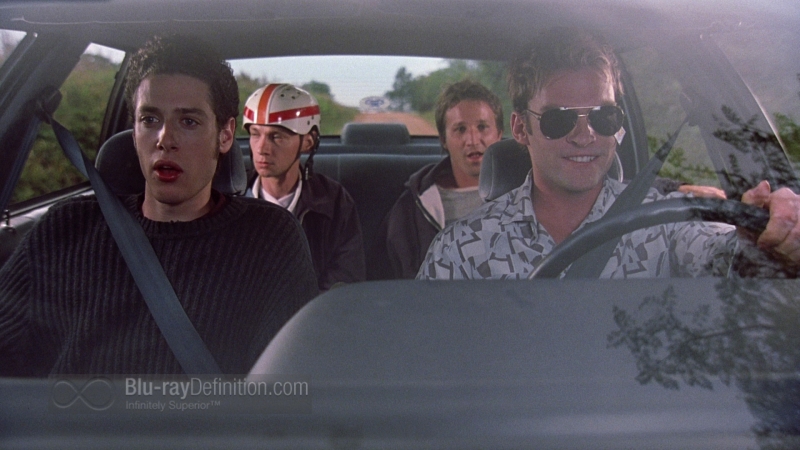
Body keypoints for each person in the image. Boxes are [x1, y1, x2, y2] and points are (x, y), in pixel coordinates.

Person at [0, 36, 319, 376]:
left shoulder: (269, 240)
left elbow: (287, 383)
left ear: (225, 135)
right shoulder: (63, 229)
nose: (165, 140)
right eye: (150, 120)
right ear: (134, 132)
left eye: (189, 122)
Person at [418, 28, 800, 280]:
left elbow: (728, 258)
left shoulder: (664, 222)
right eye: (559, 120)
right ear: (520, 129)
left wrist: (772, 236)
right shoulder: (462, 248)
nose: (585, 136)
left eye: (604, 117)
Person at [244, 83, 366, 291]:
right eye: (255, 134)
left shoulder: (333, 201)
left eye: (277, 136)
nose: (262, 148)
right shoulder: (229, 196)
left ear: (308, 142)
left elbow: (346, 281)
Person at [381, 79, 504, 279]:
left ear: (499, 134)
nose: (472, 140)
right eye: (460, 129)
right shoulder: (413, 208)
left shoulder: (529, 196)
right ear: (443, 140)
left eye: (482, 127)